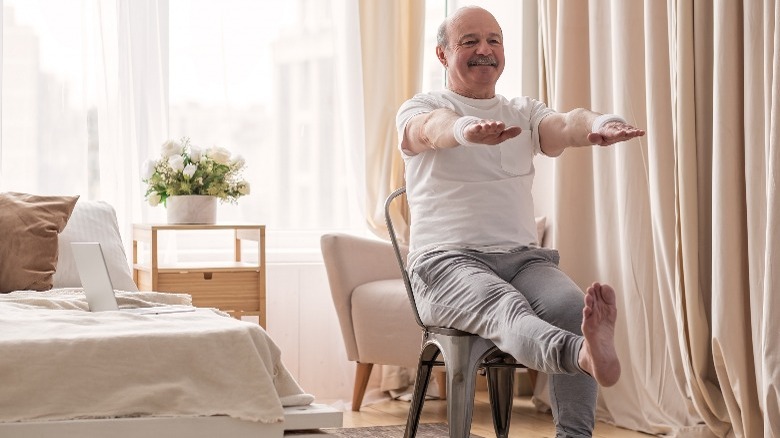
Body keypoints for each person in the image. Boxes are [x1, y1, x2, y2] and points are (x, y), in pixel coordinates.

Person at [395, 6, 645, 437]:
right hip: (445, 263)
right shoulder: (423, 106)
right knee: (503, 306)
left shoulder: (521, 111)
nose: (484, 50)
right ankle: (581, 355)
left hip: (523, 259)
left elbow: (566, 123)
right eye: (469, 41)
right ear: (442, 54)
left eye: (493, 40)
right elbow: (431, 129)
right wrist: (466, 130)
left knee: (572, 307)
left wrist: (600, 124)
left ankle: (575, 429)